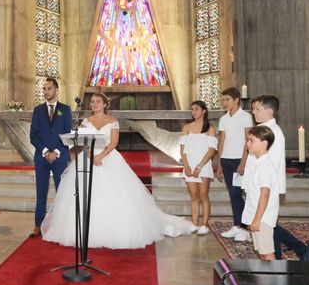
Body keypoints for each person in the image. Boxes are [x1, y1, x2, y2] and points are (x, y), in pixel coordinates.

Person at [41, 92, 193, 248]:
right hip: (87, 158)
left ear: (105, 104)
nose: (94, 104)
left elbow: (114, 142)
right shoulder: (85, 121)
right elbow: (82, 141)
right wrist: (90, 156)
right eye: (92, 102)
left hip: (108, 157)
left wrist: (101, 156)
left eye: (98, 101)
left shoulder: (113, 121)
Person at [243, 95, 309, 261]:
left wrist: (257, 186)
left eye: (257, 109)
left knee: (266, 225)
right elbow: (254, 160)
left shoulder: (273, 133)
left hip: (265, 187)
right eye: (253, 109)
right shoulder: (261, 131)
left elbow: (270, 165)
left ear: (269, 111)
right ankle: (280, 259)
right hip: (257, 185)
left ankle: (295, 253)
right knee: (268, 227)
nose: (254, 112)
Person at [29, 78, 72, 237]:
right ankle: (38, 225)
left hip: (60, 157)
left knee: (61, 191)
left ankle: (61, 225)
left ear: (56, 90)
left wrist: (57, 153)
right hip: (42, 158)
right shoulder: (38, 110)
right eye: (44, 89)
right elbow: (33, 136)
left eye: (49, 88)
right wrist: (46, 152)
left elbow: (68, 135)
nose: (45, 91)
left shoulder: (65, 110)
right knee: (41, 192)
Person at [217, 87, 253, 242]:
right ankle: (238, 226)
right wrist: (218, 162)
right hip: (226, 160)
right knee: (233, 195)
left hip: (239, 160)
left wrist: (244, 162)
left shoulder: (245, 117)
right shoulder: (223, 119)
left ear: (237, 100)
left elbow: (248, 140)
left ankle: (243, 227)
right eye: (223, 100)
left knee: (236, 193)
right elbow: (222, 140)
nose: (224, 102)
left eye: (227, 100)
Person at [180, 100, 218, 235]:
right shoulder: (187, 127)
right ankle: (195, 223)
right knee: (194, 195)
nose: (194, 112)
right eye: (192, 109)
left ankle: (204, 224)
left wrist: (200, 167)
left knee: (203, 195)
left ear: (204, 111)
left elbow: (212, 150)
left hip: (203, 165)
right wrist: (187, 166)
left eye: (196, 109)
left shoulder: (210, 128)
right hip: (190, 165)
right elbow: (182, 150)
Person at [241, 126, 279, 261]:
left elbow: (264, 195)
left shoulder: (265, 166)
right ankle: (267, 278)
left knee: (267, 253)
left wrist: (257, 220)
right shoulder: (258, 163)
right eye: (247, 140)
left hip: (263, 218)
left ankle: (275, 279)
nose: (248, 143)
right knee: (261, 252)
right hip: (257, 216)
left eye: (251, 140)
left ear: (264, 144)